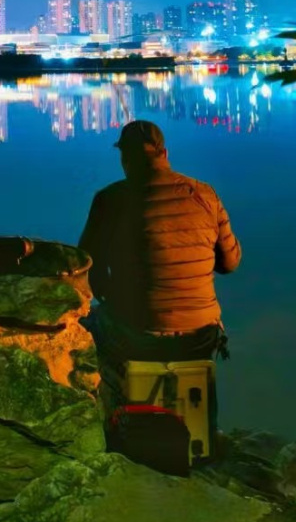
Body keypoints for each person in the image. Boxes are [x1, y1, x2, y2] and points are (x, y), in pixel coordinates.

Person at [78, 120, 240, 409]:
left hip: (137, 332)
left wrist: (109, 294)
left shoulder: (109, 200)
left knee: (88, 326)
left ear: (124, 159)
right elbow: (230, 264)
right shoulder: (205, 195)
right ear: (164, 154)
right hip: (201, 335)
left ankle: (117, 413)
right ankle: (200, 429)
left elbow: (86, 268)